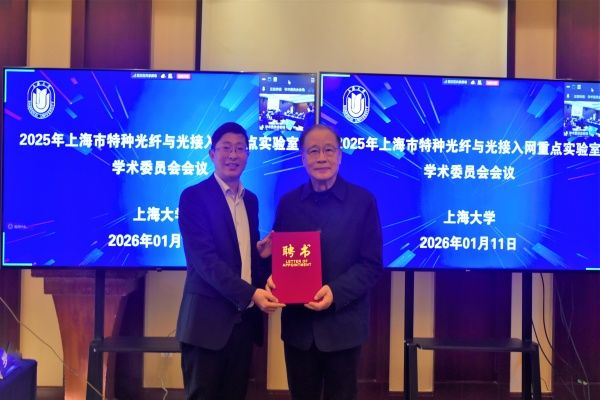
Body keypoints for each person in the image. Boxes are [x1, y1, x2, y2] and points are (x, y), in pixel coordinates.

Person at [261, 124, 383, 400]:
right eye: (313, 151)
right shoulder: (289, 203)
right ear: (302, 158)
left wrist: (335, 292)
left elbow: (371, 264)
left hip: (344, 328)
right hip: (299, 331)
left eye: (329, 150)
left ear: (340, 155)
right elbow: (282, 259)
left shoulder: (363, 201)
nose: (321, 158)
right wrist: (269, 265)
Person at [176, 121, 284, 400]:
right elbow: (205, 262)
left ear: (248, 154)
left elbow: (243, 262)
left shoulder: (251, 201)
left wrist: (261, 256)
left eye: (240, 148)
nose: (233, 155)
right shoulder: (193, 197)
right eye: (226, 148)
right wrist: (251, 294)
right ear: (212, 154)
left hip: (242, 323)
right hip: (206, 324)